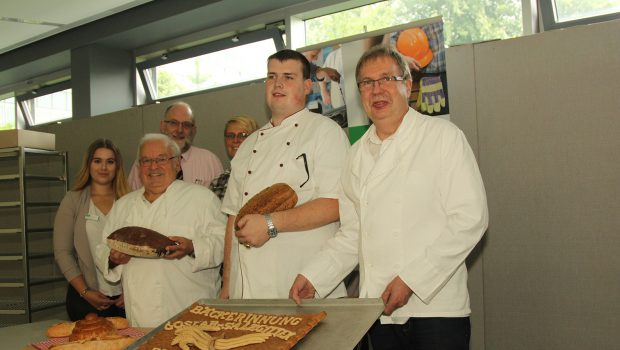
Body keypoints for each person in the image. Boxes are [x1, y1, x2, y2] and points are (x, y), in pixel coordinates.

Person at [290, 46, 488, 350]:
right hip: (379, 312)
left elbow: (470, 219)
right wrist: (315, 276)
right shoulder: (355, 156)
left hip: (436, 308)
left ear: (407, 85)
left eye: (386, 79)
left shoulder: (442, 137)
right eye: (367, 83)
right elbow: (352, 235)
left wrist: (412, 279)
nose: (376, 89)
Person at [220, 49, 350, 299]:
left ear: (307, 86)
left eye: (288, 77)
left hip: (301, 282)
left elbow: (336, 204)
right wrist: (227, 284)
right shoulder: (248, 144)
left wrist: (270, 224)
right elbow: (233, 217)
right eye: (271, 76)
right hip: (246, 288)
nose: (277, 83)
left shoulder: (325, 131)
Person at [95, 133, 226, 327]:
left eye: (162, 159)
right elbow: (102, 247)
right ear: (139, 167)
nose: (153, 166)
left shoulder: (202, 199)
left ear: (177, 164)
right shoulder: (123, 205)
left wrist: (192, 247)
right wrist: (113, 258)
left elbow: (224, 243)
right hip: (140, 316)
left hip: (191, 313)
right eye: (146, 160)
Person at [53, 138, 129, 321]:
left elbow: (141, 252)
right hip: (85, 297)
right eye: (97, 161)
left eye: (110, 162)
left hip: (126, 299)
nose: (103, 167)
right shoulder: (73, 200)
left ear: (117, 167)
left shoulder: (130, 201)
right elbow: (62, 252)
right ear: (89, 164)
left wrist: (130, 292)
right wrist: (85, 291)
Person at [127, 101, 224, 189]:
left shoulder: (210, 161)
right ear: (162, 126)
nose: (179, 130)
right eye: (173, 123)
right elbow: (133, 199)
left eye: (186, 125)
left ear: (193, 130)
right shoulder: (145, 163)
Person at [209, 115, 259, 200]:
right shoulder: (218, 182)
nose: (235, 140)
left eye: (242, 135)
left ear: (256, 138)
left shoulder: (264, 175)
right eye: (231, 135)